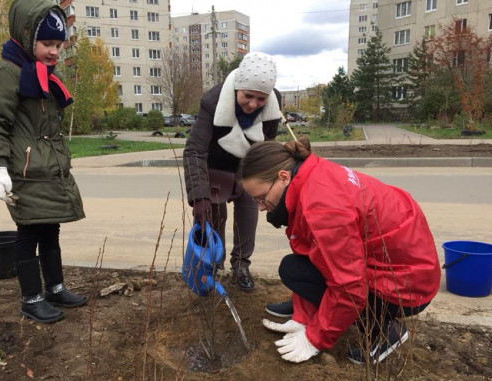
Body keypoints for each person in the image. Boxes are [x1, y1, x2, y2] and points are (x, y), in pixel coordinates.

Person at [239, 139, 441, 363]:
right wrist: (303, 317)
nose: (259, 206)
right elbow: (312, 253)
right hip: (399, 264)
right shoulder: (309, 175)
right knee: (294, 268)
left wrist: (315, 338)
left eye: (260, 197)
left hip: (406, 286)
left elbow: (350, 287)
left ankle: (385, 330)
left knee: (299, 272)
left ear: (283, 177)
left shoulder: (323, 208)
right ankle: (317, 310)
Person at [0, 0, 87, 324]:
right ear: (28, 38)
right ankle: (31, 299)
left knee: (50, 230)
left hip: (48, 171)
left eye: (58, 44)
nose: (55, 51)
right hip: (25, 173)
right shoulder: (8, 72)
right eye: (47, 44)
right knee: (28, 234)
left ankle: (54, 288)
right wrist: (0, 168)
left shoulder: (43, 73)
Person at [183, 52, 282, 291]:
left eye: (261, 99)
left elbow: (267, 146)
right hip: (215, 164)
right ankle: (212, 265)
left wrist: (270, 189)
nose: (253, 104)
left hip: (248, 165)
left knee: (249, 213)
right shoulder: (213, 101)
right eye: (248, 96)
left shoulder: (273, 102)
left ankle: (241, 265)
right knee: (214, 216)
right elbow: (195, 150)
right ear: (238, 87)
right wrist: (199, 196)